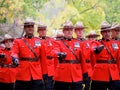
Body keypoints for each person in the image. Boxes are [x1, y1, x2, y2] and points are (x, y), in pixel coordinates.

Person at [11, 18, 47, 90]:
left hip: (36, 74)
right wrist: (15, 58)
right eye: (28, 26)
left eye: (32, 26)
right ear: (24, 28)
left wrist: (44, 74)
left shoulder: (40, 41)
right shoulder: (18, 41)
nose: (30, 28)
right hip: (22, 74)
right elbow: (14, 52)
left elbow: (43, 59)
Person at [53, 20, 88, 90]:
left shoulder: (79, 43)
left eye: (71, 29)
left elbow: (82, 60)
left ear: (73, 31)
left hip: (76, 75)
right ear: (63, 31)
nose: (69, 31)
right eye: (67, 30)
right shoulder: (58, 42)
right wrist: (59, 54)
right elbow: (55, 51)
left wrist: (85, 74)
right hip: (62, 76)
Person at [91, 21, 120, 90]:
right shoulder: (96, 42)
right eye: (105, 32)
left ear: (110, 32)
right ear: (101, 33)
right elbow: (92, 49)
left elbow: (118, 58)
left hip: (114, 73)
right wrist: (96, 49)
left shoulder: (116, 43)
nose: (107, 33)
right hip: (100, 74)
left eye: (108, 31)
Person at [37, 22, 55, 90]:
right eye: (41, 30)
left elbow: (55, 50)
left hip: (50, 68)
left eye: (44, 30)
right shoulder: (36, 41)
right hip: (40, 67)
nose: (43, 31)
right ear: (38, 31)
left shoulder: (51, 40)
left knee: (49, 87)